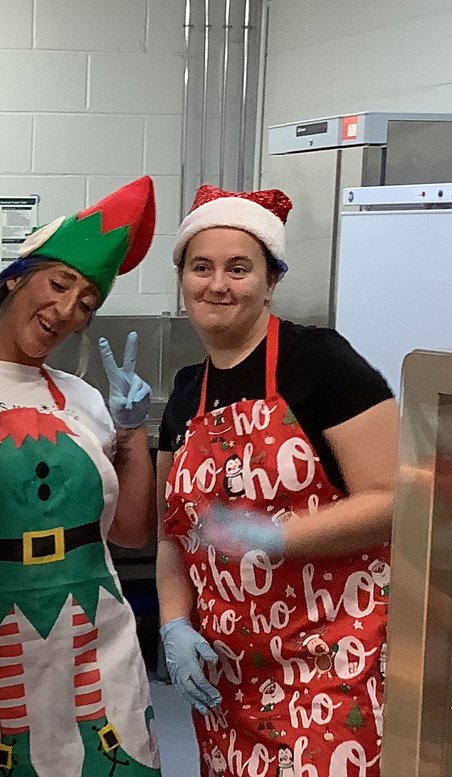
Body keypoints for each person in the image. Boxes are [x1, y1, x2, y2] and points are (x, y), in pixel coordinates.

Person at [155, 185, 398, 776]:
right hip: (229, 673)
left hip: (334, 661)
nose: (218, 284)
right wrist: (173, 624)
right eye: (201, 267)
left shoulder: (321, 362)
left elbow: (396, 499)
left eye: (239, 268)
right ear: (183, 279)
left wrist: (279, 537)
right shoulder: (187, 391)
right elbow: (173, 537)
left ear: (271, 280)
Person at [0, 176, 162, 777]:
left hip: (96, 631)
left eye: (88, 302)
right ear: (17, 276)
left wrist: (133, 431)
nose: (68, 309)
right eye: (60, 283)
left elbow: (128, 532)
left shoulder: (83, 398)